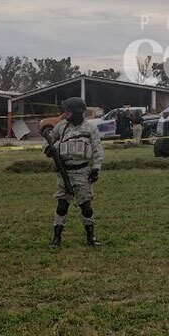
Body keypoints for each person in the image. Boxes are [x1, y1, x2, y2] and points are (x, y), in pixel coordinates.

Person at [45, 97, 103, 248]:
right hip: (64, 172)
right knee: (62, 206)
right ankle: (56, 238)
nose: (65, 113)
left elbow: (97, 149)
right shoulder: (61, 127)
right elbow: (48, 142)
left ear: (77, 112)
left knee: (86, 206)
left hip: (83, 172)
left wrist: (96, 169)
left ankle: (91, 237)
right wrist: (48, 149)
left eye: (68, 110)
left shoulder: (90, 129)